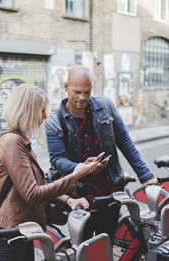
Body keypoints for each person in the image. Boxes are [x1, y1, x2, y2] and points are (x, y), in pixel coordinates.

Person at [0, 83, 102, 261]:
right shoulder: (12, 142)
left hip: (23, 231)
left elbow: (40, 183)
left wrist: (68, 200)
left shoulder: (20, 140)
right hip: (9, 235)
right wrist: (74, 177)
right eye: (41, 111)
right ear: (27, 111)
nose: (45, 116)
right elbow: (32, 193)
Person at [45, 65, 158, 208]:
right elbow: (57, 159)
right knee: (84, 231)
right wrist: (81, 168)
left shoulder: (106, 107)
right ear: (66, 87)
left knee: (111, 230)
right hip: (79, 193)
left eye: (87, 92)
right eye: (77, 92)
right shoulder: (54, 121)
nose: (82, 97)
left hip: (110, 186)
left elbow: (125, 142)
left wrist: (145, 175)